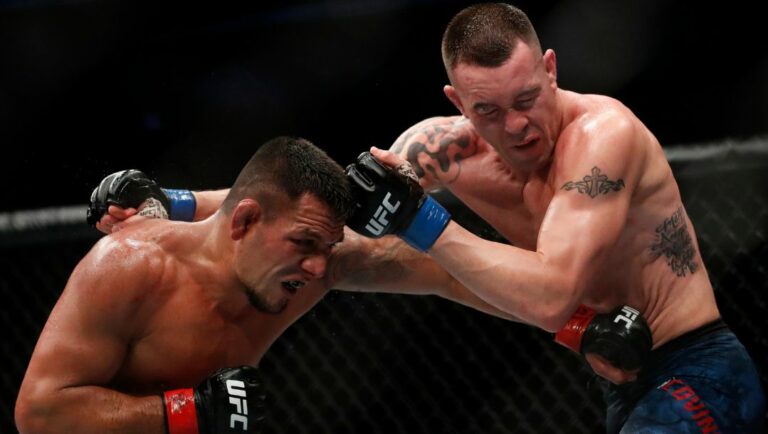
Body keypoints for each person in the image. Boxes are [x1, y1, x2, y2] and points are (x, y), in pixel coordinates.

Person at [343, 3, 765, 432]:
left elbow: (551, 297)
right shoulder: (437, 151)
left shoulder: (602, 136)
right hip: (621, 385)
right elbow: (355, 248)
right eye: (488, 110)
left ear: (550, 70)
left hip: (700, 370)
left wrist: (417, 219)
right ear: (457, 101)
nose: (515, 125)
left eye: (527, 99)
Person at [16, 136, 514, 434]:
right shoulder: (130, 267)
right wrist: (191, 413)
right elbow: (39, 412)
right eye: (304, 244)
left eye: (326, 247)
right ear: (245, 223)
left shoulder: (310, 267)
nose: (319, 267)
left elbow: (456, 275)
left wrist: (578, 323)